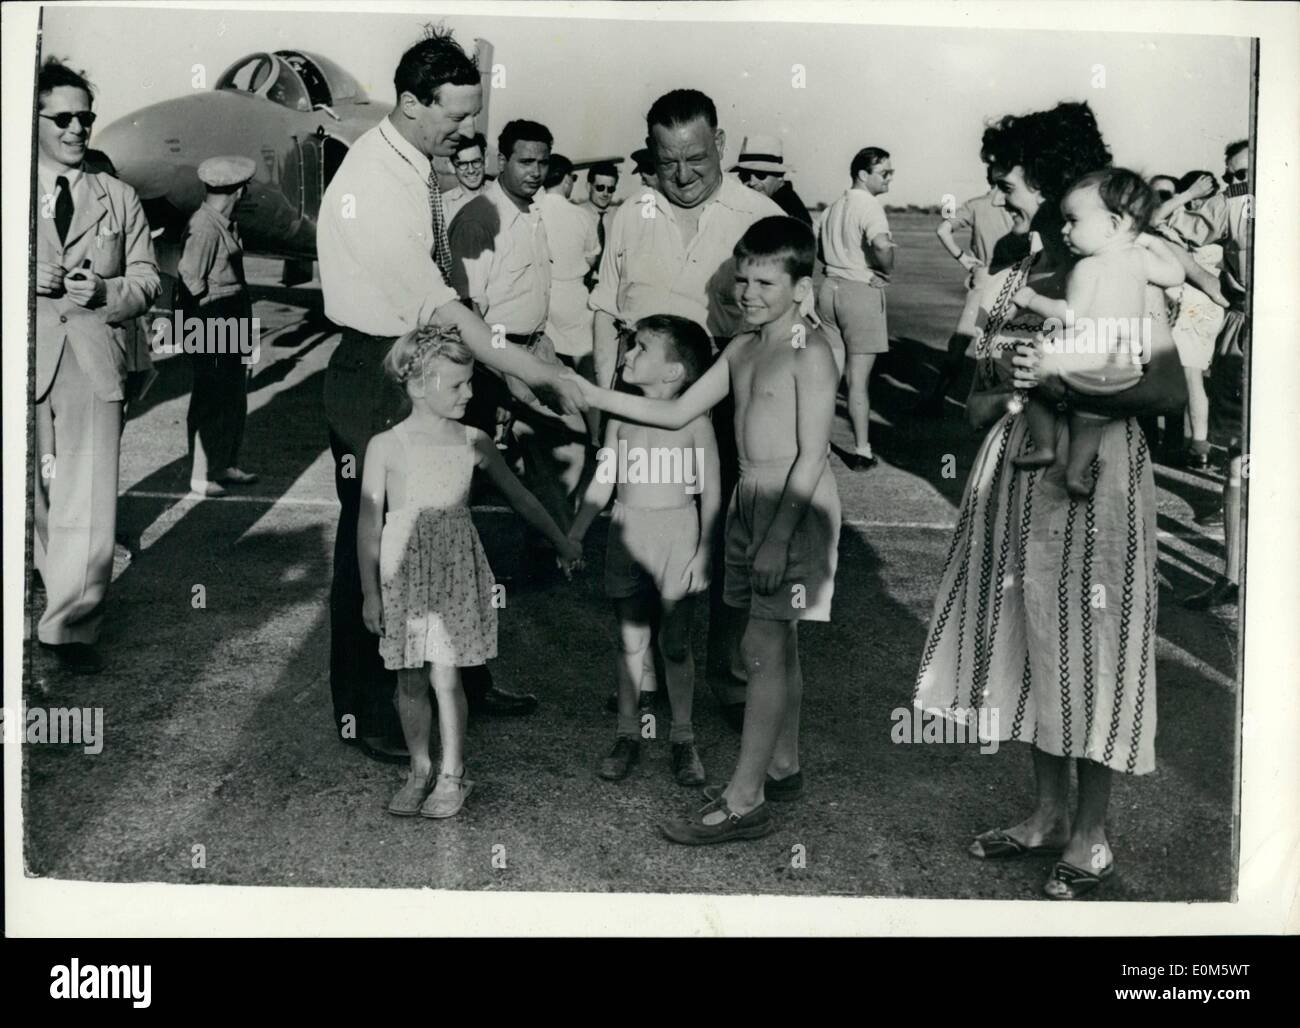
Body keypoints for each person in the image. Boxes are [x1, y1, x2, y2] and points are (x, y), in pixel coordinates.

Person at [912, 101, 1186, 900]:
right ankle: (1045, 816)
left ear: (1051, 176)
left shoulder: (1113, 265)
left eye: (1008, 177)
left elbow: (1163, 384)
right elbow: (987, 373)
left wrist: (1061, 386)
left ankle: (1092, 834)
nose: (997, 189)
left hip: (1095, 476)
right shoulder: (1014, 254)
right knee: (1027, 641)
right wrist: (998, 397)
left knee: (1094, 648)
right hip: (1016, 465)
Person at [317, 28, 582, 762]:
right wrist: (536, 373)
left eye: (474, 114)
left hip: (418, 361)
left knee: (450, 527)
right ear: (409, 103)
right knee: (380, 549)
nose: (470, 130)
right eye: (457, 117)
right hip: (380, 370)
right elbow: (443, 308)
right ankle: (370, 714)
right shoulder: (374, 183)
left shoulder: (411, 163)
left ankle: (463, 678)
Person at [581, 216, 842, 844]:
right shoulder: (743, 347)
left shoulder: (812, 350)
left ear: (801, 289)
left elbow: (813, 455)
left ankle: (745, 799)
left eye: (765, 284)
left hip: (793, 505)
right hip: (751, 500)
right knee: (780, 644)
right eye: (741, 280)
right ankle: (783, 763)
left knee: (762, 648)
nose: (747, 294)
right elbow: (673, 408)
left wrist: (778, 536)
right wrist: (584, 389)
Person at [589, 89, 782, 725]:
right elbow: (605, 313)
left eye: (697, 159)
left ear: (720, 145)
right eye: (668, 161)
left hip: (731, 400)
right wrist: (604, 411)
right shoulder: (626, 214)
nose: (683, 175)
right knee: (645, 532)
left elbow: (788, 326)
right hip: (645, 400)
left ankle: (726, 679)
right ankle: (643, 680)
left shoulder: (758, 216)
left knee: (727, 535)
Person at [358, 324, 583, 818]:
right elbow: (369, 524)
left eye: (470, 382)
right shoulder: (385, 447)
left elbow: (521, 496)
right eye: (457, 384)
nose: (470, 392)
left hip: (455, 572)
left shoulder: (474, 441)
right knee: (409, 680)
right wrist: (370, 593)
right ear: (418, 385)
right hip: (404, 575)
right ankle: (419, 768)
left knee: (445, 676)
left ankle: (453, 773)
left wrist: (562, 539)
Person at [34, 59, 160, 675]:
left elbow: (148, 279)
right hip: (27, 358)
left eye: (86, 117)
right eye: (62, 117)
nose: (78, 128)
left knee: (84, 495)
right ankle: (43, 580)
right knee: (36, 493)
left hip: (90, 361)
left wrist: (106, 292)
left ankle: (71, 626)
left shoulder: (118, 195)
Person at [568, 315, 720, 786]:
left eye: (640, 349)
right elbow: (604, 480)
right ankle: (627, 734)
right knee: (630, 640)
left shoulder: (695, 422)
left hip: (678, 533)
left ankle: (682, 738)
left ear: (674, 372)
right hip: (627, 532)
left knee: (675, 643)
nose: (627, 356)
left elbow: (713, 493)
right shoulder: (620, 418)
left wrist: (703, 553)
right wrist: (575, 532)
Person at [449, 119, 589, 540]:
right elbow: (466, 308)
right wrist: (504, 371)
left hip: (534, 350)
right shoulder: (480, 221)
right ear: (501, 160)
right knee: (470, 468)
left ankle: (558, 552)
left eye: (542, 163)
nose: (535, 171)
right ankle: (455, 558)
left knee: (565, 444)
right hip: (491, 356)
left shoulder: (533, 213)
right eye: (525, 161)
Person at [1011, 169, 1185, 497]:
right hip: (1122, 369)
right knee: (1089, 418)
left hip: (1081, 363)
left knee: (1034, 375)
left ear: (1113, 225)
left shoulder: (1087, 267)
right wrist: (1146, 238)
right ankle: (1076, 473)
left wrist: (1033, 299)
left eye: (1073, 221)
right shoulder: (1140, 259)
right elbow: (1176, 274)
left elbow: (1071, 314)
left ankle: (1046, 446)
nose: (1065, 230)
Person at [1184, 139, 1252, 611]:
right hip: (1244, 336)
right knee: (1238, 459)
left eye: (1241, 174)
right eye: (1229, 176)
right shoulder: (1232, 210)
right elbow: (1173, 233)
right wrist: (1216, 287)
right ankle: (1231, 576)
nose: (1234, 184)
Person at [177, 155, 259, 498]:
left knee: (233, 394)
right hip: (212, 319)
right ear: (237, 191)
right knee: (211, 397)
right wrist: (206, 325)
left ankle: (223, 464)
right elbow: (189, 275)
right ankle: (201, 474)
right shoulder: (205, 227)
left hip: (230, 314)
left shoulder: (226, 223)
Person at [815, 146, 896, 470]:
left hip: (829, 290)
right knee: (858, 381)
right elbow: (880, 246)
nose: (890, 178)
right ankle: (862, 451)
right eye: (884, 173)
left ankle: (816, 444)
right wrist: (886, 270)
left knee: (829, 377)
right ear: (864, 174)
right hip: (859, 293)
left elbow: (820, 252)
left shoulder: (833, 207)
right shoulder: (870, 206)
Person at [920, 164, 1016, 416]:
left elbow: (943, 229)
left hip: (983, 277)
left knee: (960, 341)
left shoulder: (975, 205)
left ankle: (937, 397)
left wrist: (962, 258)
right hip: (1015, 280)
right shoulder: (1019, 207)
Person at [1151, 169, 1230, 469]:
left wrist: (1186, 197)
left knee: (1191, 377)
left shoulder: (1187, 224)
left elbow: (1153, 219)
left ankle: (1200, 446)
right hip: (1206, 307)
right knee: (1192, 376)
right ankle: (1199, 444)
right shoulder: (1216, 223)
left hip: (1195, 307)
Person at [538, 154, 600, 379]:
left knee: (546, 361)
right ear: (565, 180)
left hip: (541, 294)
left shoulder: (533, 212)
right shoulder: (581, 216)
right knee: (584, 359)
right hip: (573, 296)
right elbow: (592, 259)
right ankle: (592, 410)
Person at [731, 133, 812, 225]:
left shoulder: (785, 214)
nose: (752, 182)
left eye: (760, 174)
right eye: (745, 175)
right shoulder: (769, 205)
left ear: (780, 176)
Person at [578, 160, 620, 290]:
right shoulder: (576, 215)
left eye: (611, 189)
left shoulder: (620, 216)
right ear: (588, 187)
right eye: (600, 187)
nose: (605, 193)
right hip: (581, 286)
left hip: (611, 286)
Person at [441, 132, 488, 222]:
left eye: (476, 161)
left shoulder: (500, 198)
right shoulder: (443, 205)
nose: (471, 170)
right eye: (463, 164)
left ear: (486, 160)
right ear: (451, 166)